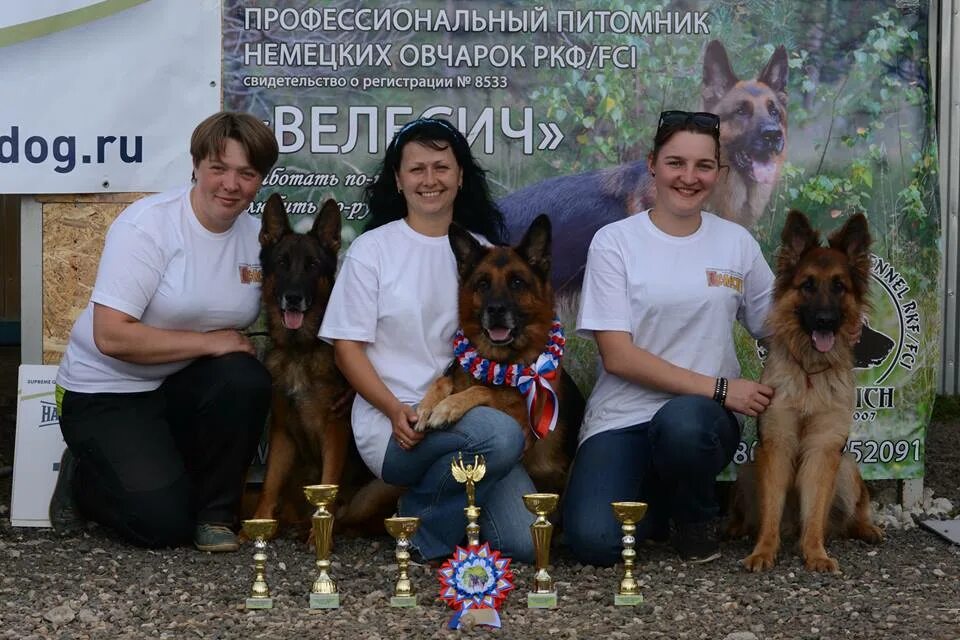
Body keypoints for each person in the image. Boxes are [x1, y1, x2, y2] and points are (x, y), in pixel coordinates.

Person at [50, 111, 280, 552]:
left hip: (179, 385)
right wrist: (210, 342)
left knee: (244, 378)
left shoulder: (259, 238)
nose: (231, 185)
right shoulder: (148, 225)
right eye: (219, 168)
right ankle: (83, 480)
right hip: (106, 392)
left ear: (259, 179)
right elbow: (111, 336)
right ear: (195, 165)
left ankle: (216, 515)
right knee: (162, 526)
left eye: (246, 173)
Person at [562, 110, 775, 565]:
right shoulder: (613, 241)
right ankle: (658, 505)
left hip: (700, 422)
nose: (689, 177)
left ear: (719, 173)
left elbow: (778, 322)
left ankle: (694, 518)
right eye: (676, 163)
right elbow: (618, 357)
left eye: (704, 166)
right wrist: (723, 388)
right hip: (623, 416)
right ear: (652, 164)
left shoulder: (736, 244)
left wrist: (838, 321)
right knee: (593, 542)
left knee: (683, 426)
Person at [319, 117, 536, 563]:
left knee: (525, 542)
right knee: (500, 438)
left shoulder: (483, 252)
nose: (430, 179)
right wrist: (391, 409)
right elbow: (346, 349)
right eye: (417, 169)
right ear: (398, 180)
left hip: (469, 414)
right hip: (397, 426)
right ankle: (426, 526)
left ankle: (420, 505)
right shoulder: (372, 250)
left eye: (441, 167)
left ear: (460, 176)